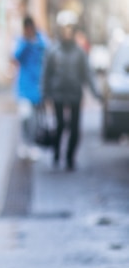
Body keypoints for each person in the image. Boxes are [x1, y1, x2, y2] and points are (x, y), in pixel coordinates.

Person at [42, 9, 101, 171]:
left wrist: (97, 93)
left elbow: (88, 74)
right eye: (64, 29)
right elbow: (46, 74)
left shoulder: (80, 52)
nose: (67, 32)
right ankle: (56, 152)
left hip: (75, 94)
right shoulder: (53, 51)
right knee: (60, 125)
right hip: (58, 94)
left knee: (75, 128)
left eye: (70, 29)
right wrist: (44, 94)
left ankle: (69, 157)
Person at [12, 15, 47, 160]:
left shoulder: (41, 41)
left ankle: (32, 145)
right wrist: (27, 43)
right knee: (25, 118)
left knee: (34, 120)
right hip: (24, 88)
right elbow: (15, 57)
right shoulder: (21, 41)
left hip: (38, 87)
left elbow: (47, 53)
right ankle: (25, 144)